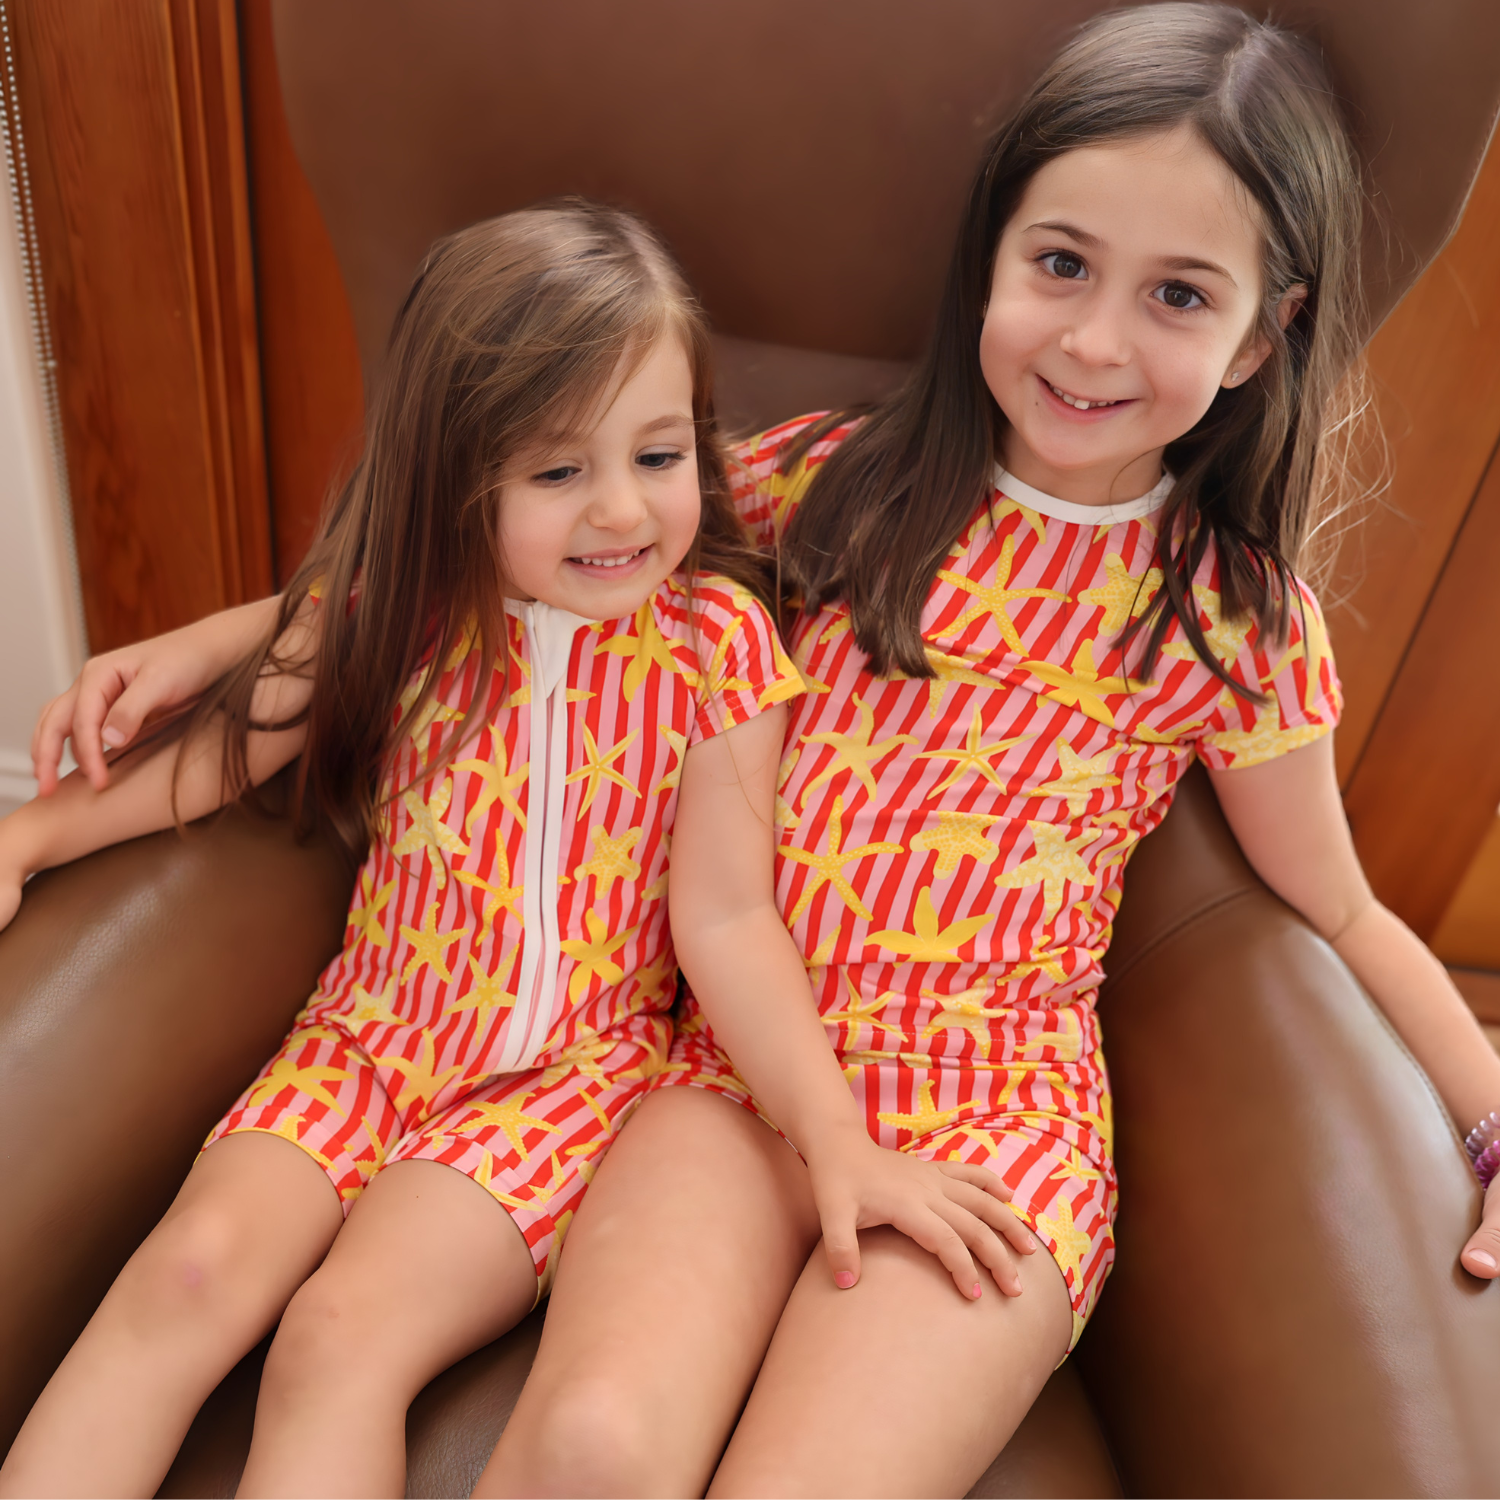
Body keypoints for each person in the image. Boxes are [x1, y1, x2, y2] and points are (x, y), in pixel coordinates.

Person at [19, 6, 1500, 1496]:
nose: (1096, 340)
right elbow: (504, 547)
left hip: (989, 1120)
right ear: (992, 255)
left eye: (1179, 295)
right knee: (591, 1453)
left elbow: (1338, 905)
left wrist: (1492, 1121)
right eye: (1061, 264)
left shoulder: (1236, 620)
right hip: (727, 1080)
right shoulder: (832, 482)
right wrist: (219, 645)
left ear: (1263, 333)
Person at [0, 201, 1033, 1498]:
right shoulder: (400, 613)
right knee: (185, 1276)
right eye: (555, 473)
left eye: (658, 454)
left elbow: (726, 920)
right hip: (366, 1040)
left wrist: (838, 1137)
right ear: (458, 478)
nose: (621, 509)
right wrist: (32, 834)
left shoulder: (714, 649)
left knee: (335, 1340)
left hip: (559, 1089)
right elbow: (230, 749)